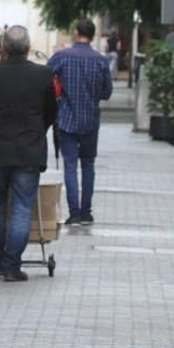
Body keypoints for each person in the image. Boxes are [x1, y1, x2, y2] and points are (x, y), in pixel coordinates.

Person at [0, 25, 57, 281]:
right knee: (22, 207)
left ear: (3, 46)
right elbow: (51, 113)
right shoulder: (43, 75)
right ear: (27, 46)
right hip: (29, 151)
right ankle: (12, 266)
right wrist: (36, 132)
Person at [48, 19, 113, 224]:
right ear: (92, 36)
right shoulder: (101, 61)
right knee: (88, 165)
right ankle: (86, 211)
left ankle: (74, 212)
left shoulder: (62, 57)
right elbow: (106, 92)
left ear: (76, 33)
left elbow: (43, 79)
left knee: (69, 166)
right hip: (91, 120)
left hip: (66, 118)